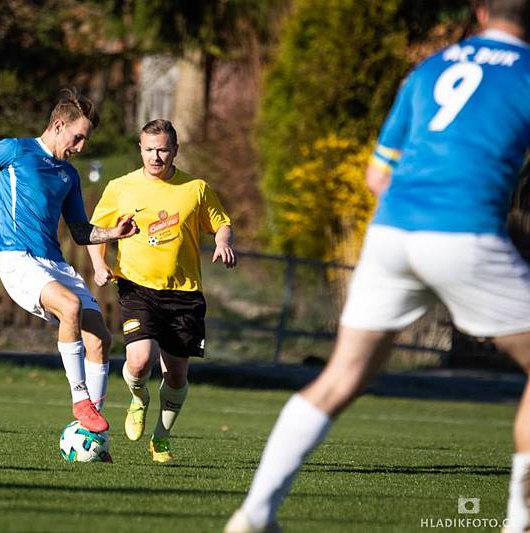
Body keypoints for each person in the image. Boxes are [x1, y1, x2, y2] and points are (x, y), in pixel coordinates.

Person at [225, 1, 530, 531]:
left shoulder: (430, 69)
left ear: (480, 12)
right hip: (464, 232)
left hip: (391, 231)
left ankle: (254, 514)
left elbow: (375, 176)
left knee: (339, 377)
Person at [0, 89, 139, 435]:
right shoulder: (16, 149)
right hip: (17, 258)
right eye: (78, 138)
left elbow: (80, 231)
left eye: (85, 141)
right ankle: (80, 400)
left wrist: (113, 232)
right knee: (70, 307)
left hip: (55, 264)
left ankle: (92, 434)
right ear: (59, 125)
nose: (80, 147)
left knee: (100, 339)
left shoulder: (70, 175)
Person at [87, 119, 236, 463]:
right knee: (139, 362)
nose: (156, 157)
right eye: (149, 149)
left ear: (175, 151)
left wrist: (223, 242)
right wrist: (98, 263)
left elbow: (221, 223)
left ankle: (162, 438)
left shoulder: (195, 188)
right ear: (140, 149)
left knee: (177, 373)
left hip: (184, 294)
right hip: (137, 287)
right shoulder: (121, 187)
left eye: (163, 149)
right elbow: (98, 231)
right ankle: (138, 398)